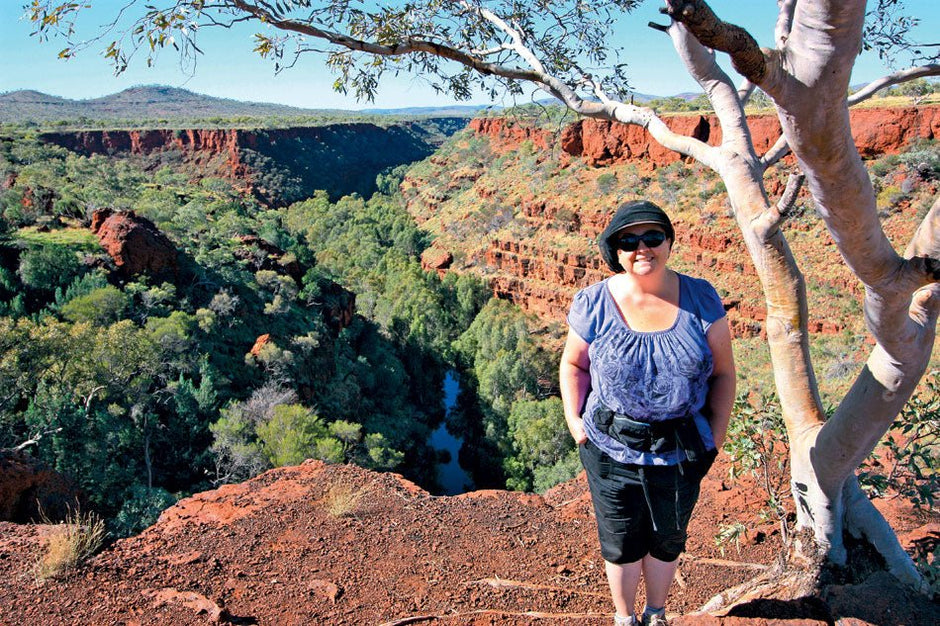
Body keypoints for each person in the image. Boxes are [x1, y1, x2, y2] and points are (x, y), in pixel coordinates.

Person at [559, 200, 736, 626]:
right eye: (629, 240)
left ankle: (655, 614)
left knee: (668, 538)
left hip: (681, 449)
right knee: (620, 541)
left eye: (652, 237)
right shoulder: (594, 302)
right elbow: (573, 364)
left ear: (669, 241)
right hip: (609, 447)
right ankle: (625, 617)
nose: (642, 248)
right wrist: (574, 421)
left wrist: (717, 433)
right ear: (615, 250)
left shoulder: (701, 298)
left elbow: (725, 373)